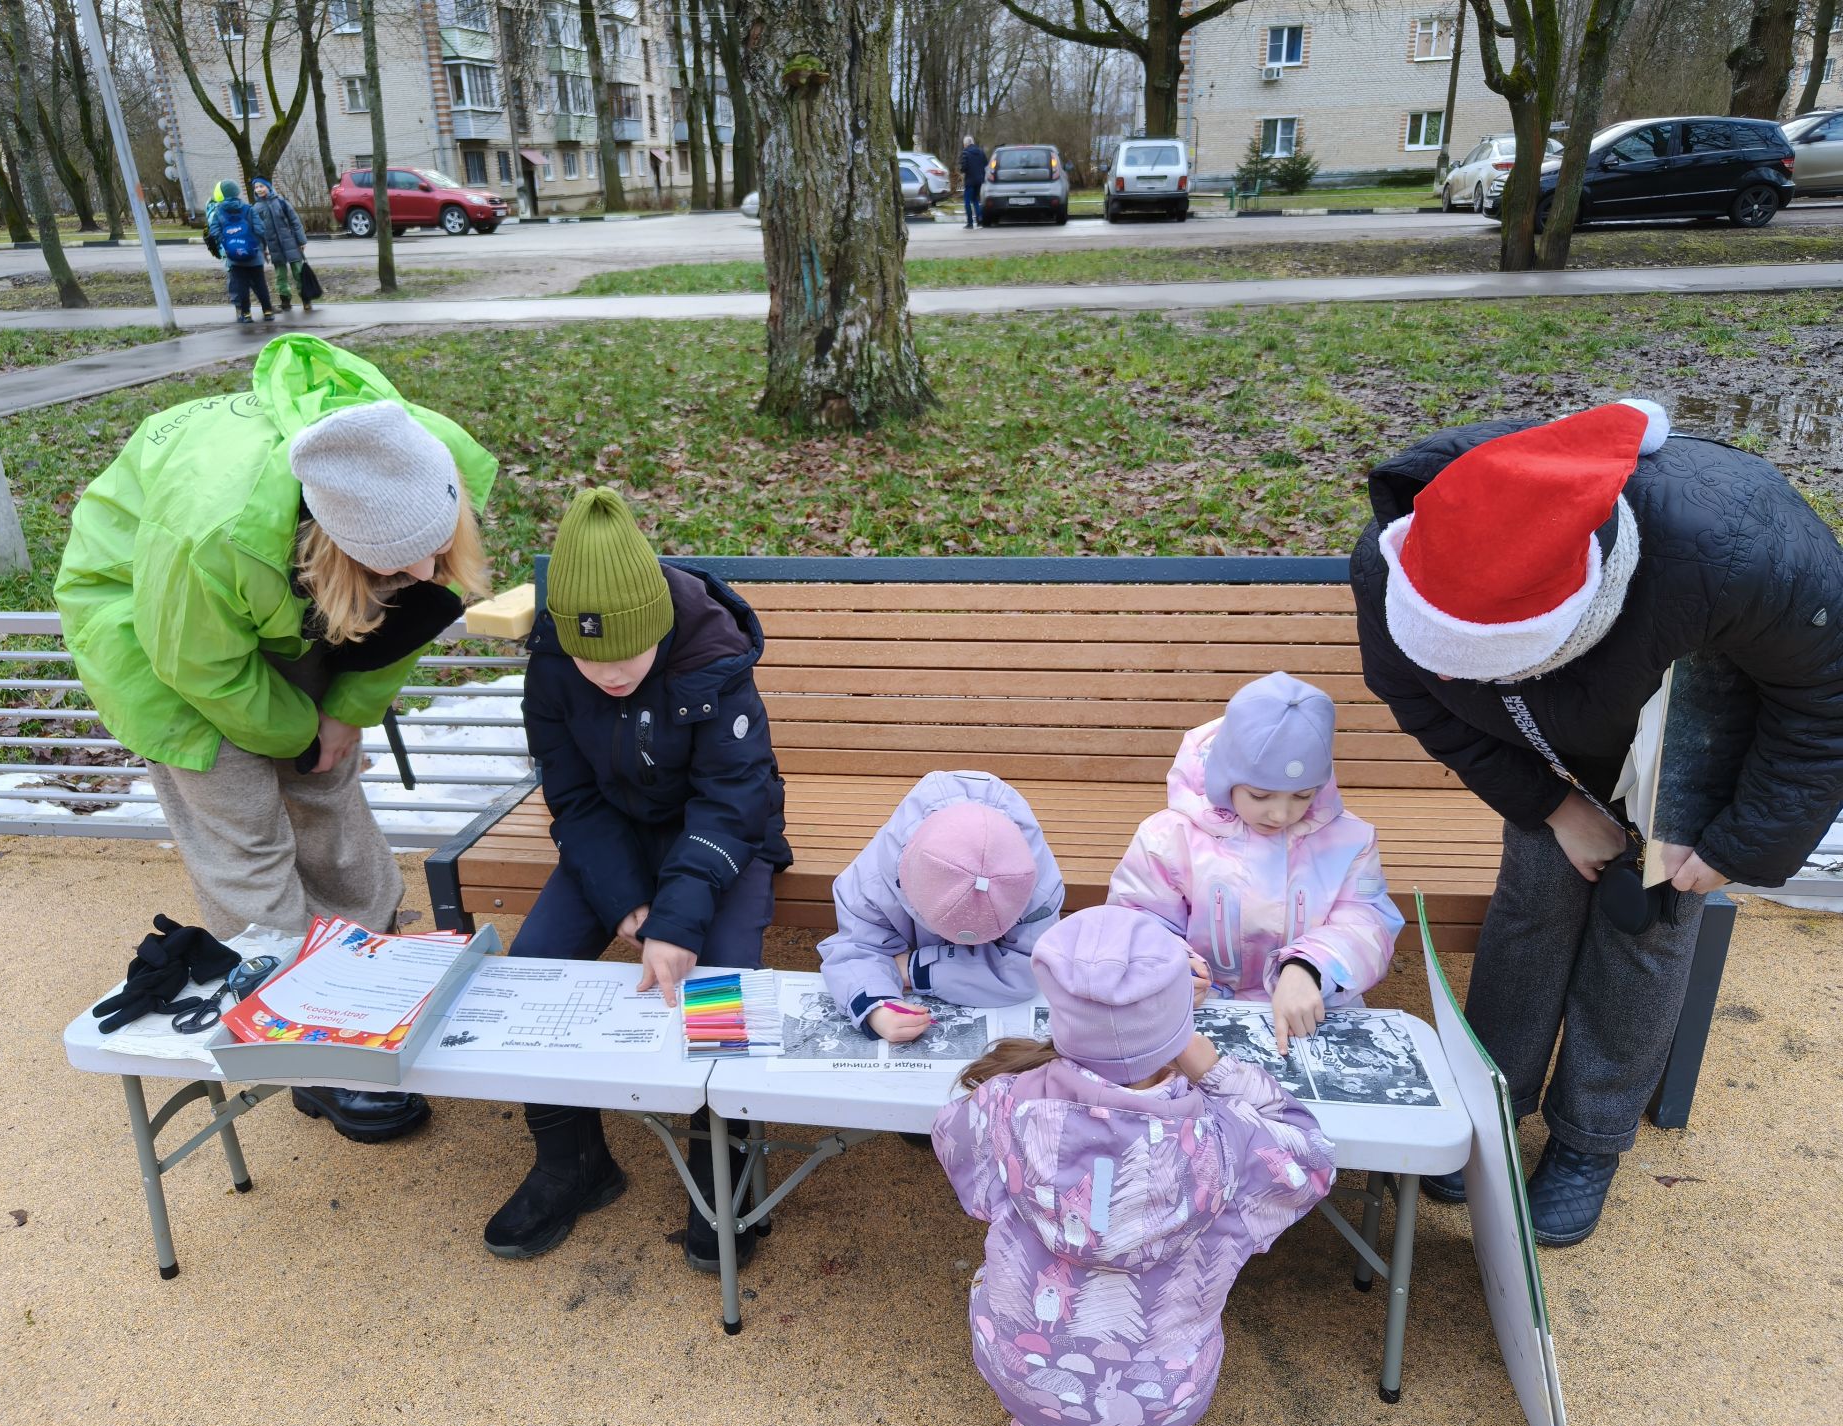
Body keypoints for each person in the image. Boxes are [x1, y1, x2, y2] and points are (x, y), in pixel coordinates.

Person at [1351, 398, 1843, 1245]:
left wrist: (1732, 846)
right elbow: (1420, 701)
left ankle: (1588, 1141)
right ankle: (1490, 1102)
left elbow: (1823, 704)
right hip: (1550, 747)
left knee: (1647, 927)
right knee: (1534, 901)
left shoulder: (1743, 546)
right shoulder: (1397, 559)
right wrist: (1553, 805)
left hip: (1701, 714)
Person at [55, 334, 498, 1143]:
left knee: (327, 790)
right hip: (157, 634)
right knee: (246, 824)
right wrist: (296, 734)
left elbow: (403, 623)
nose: (433, 573)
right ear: (339, 549)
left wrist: (342, 715)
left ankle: (371, 979)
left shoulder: (429, 459)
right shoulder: (213, 530)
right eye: (403, 567)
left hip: (279, 595)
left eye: (436, 551)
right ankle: (307, 1046)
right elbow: (200, 667)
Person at [485, 487, 790, 1271]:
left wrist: (675, 922)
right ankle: (573, 1161)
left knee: (719, 983)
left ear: (658, 623)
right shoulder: (554, 666)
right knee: (531, 974)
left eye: (626, 655)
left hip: (725, 835)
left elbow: (731, 805)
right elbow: (573, 796)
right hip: (614, 835)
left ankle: (721, 1170)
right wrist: (625, 900)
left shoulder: (715, 660)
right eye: (590, 658)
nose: (609, 674)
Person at [932, 905, 1334, 1426]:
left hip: (1019, 1372)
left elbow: (957, 1153)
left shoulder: (1003, 1103)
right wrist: (1209, 1065)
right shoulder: (1229, 1139)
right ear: (1177, 1032)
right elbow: (1311, 1156)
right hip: (1163, 1397)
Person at [1108, 671, 1403, 1053]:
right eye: (1260, 795)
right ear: (1223, 777)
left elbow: (1367, 921)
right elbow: (1136, 916)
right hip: (1193, 1007)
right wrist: (1169, 967)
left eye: (1302, 795)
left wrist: (1311, 968)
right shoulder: (1170, 836)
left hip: (1310, 1004)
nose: (1281, 814)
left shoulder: (1350, 840)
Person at [819, 771, 1064, 1043]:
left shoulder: (1037, 886)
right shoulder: (874, 879)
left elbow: (1029, 965)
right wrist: (877, 1006)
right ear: (907, 887)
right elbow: (855, 946)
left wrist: (916, 969)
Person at [208, 178, 274, 324]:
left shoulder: (219, 211)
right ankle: (268, 311)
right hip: (254, 254)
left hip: (234, 255)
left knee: (241, 286)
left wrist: (226, 242)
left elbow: (214, 232)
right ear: (237, 192)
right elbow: (260, 229)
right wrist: (256, 244)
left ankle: (246, 314)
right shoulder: (248, 209)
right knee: (260, 283)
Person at [251, 176, 311, 315]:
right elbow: (258, 231)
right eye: (256, 187)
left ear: (268, 187)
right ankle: (285, 300)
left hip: (291, 244)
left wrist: (301, 240)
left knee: (298, 271)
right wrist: (262, 249)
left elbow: (295, 221)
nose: (259, 189)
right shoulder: (256, 208)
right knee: (280, 276)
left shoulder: (281, 202)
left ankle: (306, 299)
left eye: (261, 186)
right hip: (274, 247)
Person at [958, 135, 989, 229]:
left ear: (966, 144)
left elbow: (963, 167)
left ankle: (970, 222)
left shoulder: (965, 153)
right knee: (976, 200)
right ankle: (979, 221)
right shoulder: (981, 152)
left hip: (970, 180)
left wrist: (962, 171)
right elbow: (986, 164)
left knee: (967, 201)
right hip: (979, 180)